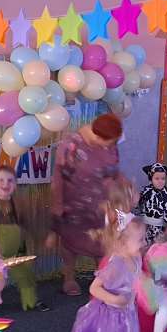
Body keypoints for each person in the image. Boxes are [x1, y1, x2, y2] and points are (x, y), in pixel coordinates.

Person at [60, 180, 146, 332]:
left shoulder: (135, 259)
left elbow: (137, 282)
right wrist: (115, 299)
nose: (143, 243)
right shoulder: (115, 264)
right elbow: (94, 288)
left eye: (143, 239)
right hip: (109, 319)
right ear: (122, 243)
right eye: (139, 240)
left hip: (127, 318)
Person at [47, 113, 124, 296]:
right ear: (98, 136)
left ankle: (103, 279)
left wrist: (122, 187)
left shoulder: (110, 145)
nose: (111, 146)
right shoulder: (71, 145)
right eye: (109, 142)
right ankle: (69, 278)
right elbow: (59, 178)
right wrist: (58, 206)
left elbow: (113, 171)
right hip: (74, 204)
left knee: (102, 243)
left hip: (101, 205)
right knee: (70, 243)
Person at [0, 165, 48, 312]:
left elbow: (28, 225)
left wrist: (43, 237)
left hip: (15, 252)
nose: (5, 184)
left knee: (26, 276)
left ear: (15, 185)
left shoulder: (19, 205)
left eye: (10, 180)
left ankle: (30, 302)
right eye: (1, 180)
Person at [136, 162, 167, 246]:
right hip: (145, 224)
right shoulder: (146, 191)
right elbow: (139, 203)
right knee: (144, 244)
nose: (160, 181)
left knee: (157, 245)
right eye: (157, 178)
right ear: (151, 178)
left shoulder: (165, 194)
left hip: (158, 226)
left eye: (163, 179)